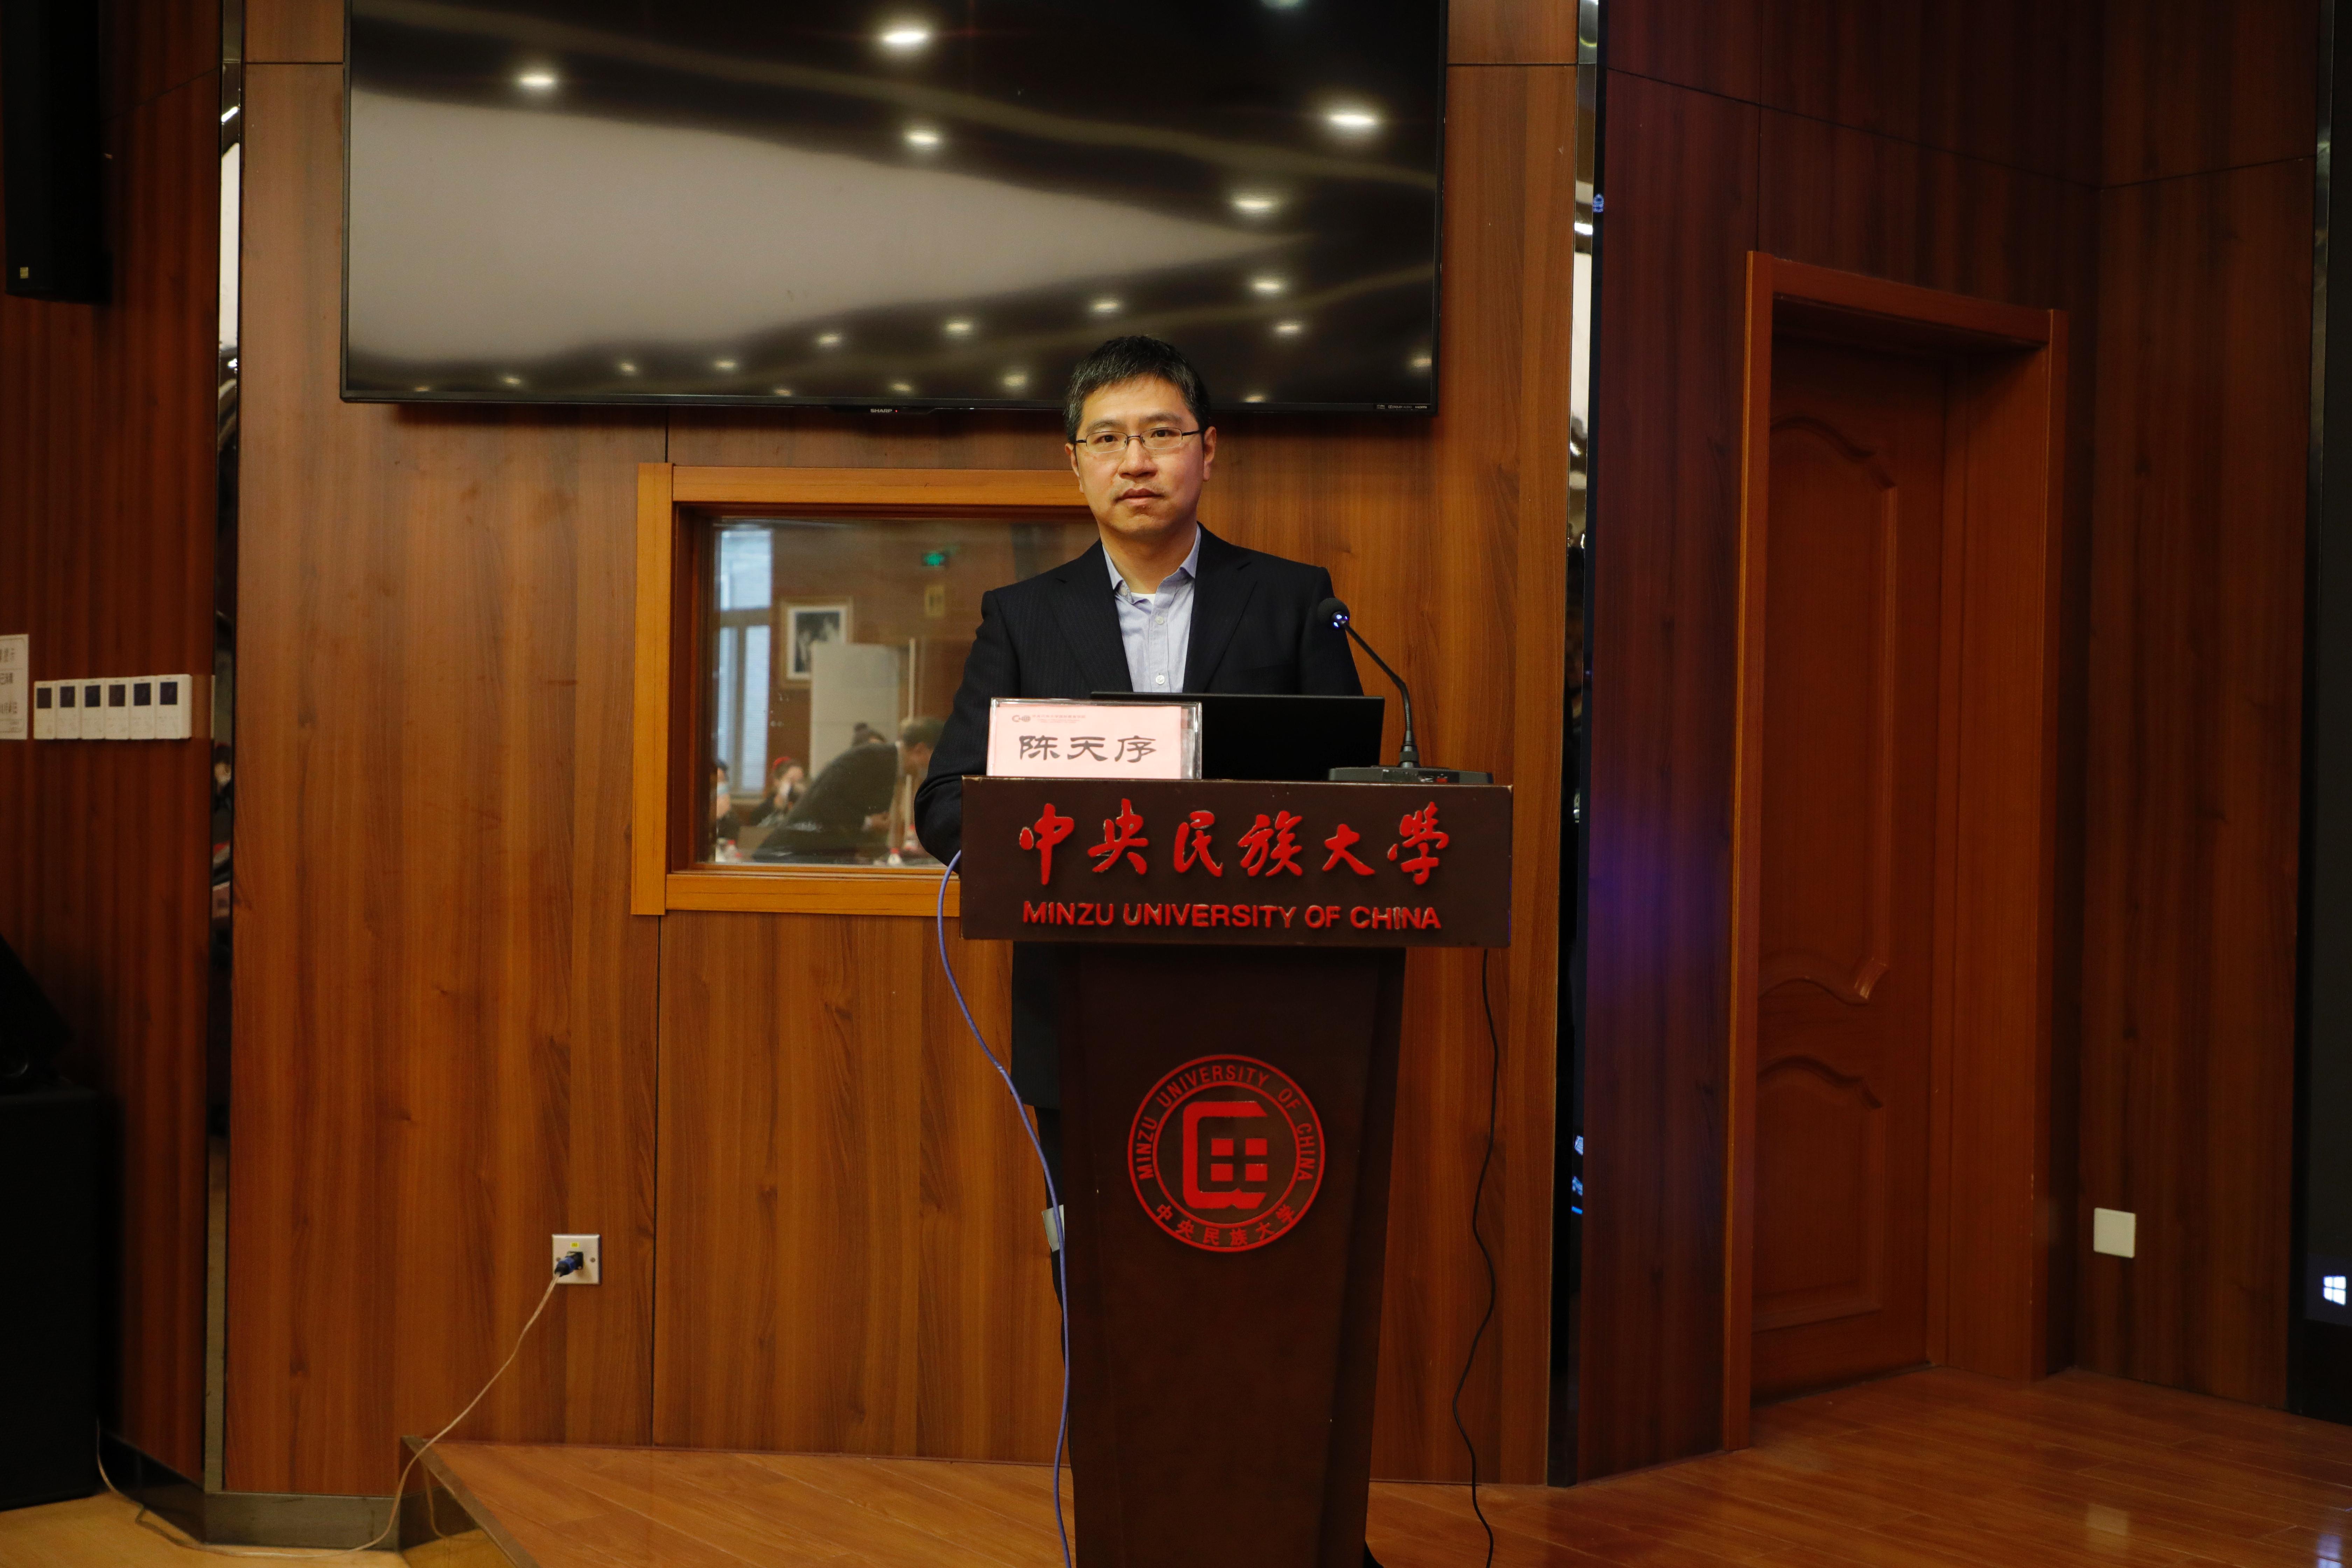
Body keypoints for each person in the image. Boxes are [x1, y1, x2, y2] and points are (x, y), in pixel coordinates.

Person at [911, 334, 1362, 1237]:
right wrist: (1077, 844)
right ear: (1075, 463)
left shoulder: (1295, 601)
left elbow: (1348, 794)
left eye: (1161, 434)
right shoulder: (1023, 619)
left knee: (1254, 1252)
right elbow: (947, 804)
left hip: (1262, 997)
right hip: (1081, 999)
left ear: (1208, 450)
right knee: (1096, 1262)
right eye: (1109, 439)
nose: (1137, 461)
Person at [755, 716, 942, 861]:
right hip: (791, 856)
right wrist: (868, 823)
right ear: (920, 750)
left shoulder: (888, 763)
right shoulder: (872, 758)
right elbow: (823, 801)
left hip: (810, 856)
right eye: (938, 755)